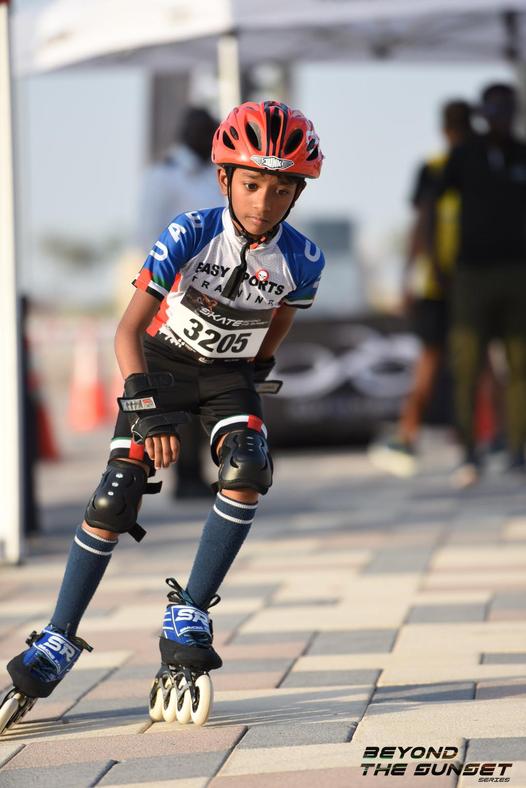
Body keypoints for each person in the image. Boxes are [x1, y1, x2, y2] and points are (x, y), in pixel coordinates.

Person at [0, 100, 325, 731]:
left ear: (298, 193)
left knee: (248, 466)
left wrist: (255, 367)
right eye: (251, 184)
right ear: (223, 178)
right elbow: (126, 333)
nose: (264, 202)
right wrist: (147, 414)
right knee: (117, 493)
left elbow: (280, 319)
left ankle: (190, 612)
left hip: (226, 376)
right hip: (160, 365)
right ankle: (59, 635)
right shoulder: (190, 231)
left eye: (282, 190)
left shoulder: (304, 259)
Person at [368, 100, 473, 477]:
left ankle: (411, 436)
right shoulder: (454, 166)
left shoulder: (436, 166)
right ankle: (490, 440)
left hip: (443, 281)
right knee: (476, 364)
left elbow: (419, 225)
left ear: (443, 128)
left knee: (434, 363)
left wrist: (408, 277)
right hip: (459, 280)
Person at [440, 83, 526, 485]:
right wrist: (432, 262)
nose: (501, 115)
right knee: (468, 365)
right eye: (494, 108)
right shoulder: (464, 155)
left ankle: (518, 449)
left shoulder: (522, 153)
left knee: (520, 364)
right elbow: (431, 204)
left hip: (519, 272)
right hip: (471, 273)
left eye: (508, 108)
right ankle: (469, 450)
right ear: (483, 113)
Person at [138, 107, 221, 499]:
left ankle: (198, 470)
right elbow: (147, 236)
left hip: (214, 293)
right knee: (177, 383)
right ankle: (181, 474)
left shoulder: (216, 175)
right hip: (172, 294)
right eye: (203, 131)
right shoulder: (164, 175)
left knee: (206, 383)